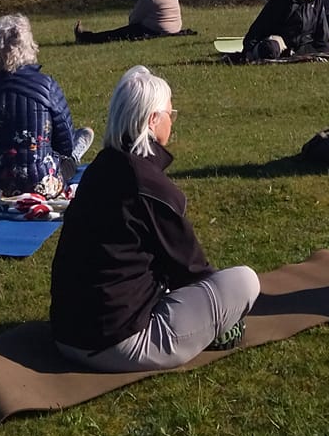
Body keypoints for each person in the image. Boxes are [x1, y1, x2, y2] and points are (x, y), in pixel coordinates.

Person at [49, 65, 260, 370]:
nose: (172, 119)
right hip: (118, 342)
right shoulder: (149, 185)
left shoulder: (101, 168)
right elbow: (191, 270)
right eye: (169, 113)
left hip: (67, 334)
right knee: (244, 281)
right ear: (152, 120)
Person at [0, 13, 94, 206]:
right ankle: (77, 153)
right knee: (70, 154)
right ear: (30, 46)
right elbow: (64, 145)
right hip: (42, 184)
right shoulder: (47, 86)